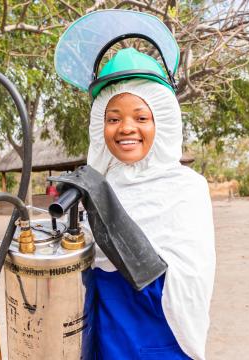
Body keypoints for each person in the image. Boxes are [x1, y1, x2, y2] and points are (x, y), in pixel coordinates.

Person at [86, 48, 216, 360]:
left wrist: (109, 218)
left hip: (162, 341)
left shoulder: (188, 188)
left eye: (141, 117)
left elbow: (190, 281)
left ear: (163, 122)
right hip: (105, 339)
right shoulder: (97, 187)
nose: (126, 128)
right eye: (113, 118)